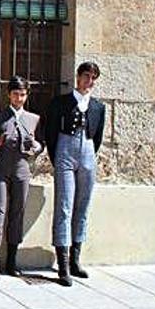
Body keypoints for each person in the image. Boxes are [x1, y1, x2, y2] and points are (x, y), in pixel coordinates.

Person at [44, 62, 105, 287]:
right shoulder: (61, 102)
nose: (89, 82)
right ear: (78, 77)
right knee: (64, 206)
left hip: (88, 151)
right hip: (65, 150)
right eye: (86, 76)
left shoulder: (98, 107)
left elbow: (97, 136)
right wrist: (57, 156)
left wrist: (88, 154)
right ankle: (63, 264)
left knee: (83, 205)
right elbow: (50, 131)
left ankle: (76, 259)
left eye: (93, 78)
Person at [0, 76, 43, 281]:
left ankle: (12, 261)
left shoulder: (34, 118)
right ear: (9, 94)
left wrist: (36, 146)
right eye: (16, 93)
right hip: (0, 167)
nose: (19, 98)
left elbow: (40, 144)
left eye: (23, 94)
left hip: (22, 168)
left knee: (18, 212)